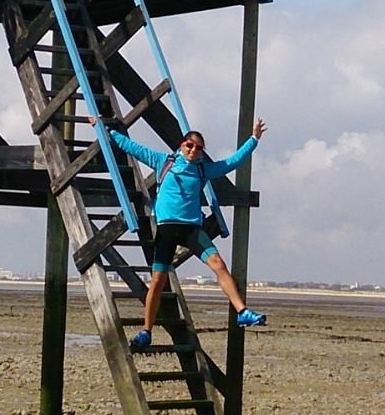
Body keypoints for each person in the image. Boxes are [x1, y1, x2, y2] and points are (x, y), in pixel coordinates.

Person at [107, 120, 268, 350]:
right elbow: (132, 147)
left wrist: (254, 139)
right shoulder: (164, 161)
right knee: (157, 282)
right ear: (182, 145)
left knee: (218, 263)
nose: (193, 150)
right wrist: (107, 131)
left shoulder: (203, 169)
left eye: (198, 147)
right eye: (189, 145)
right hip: (166, 229)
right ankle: (146, 331)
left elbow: (232, 162)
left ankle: (242, 311)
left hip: (192, 228)